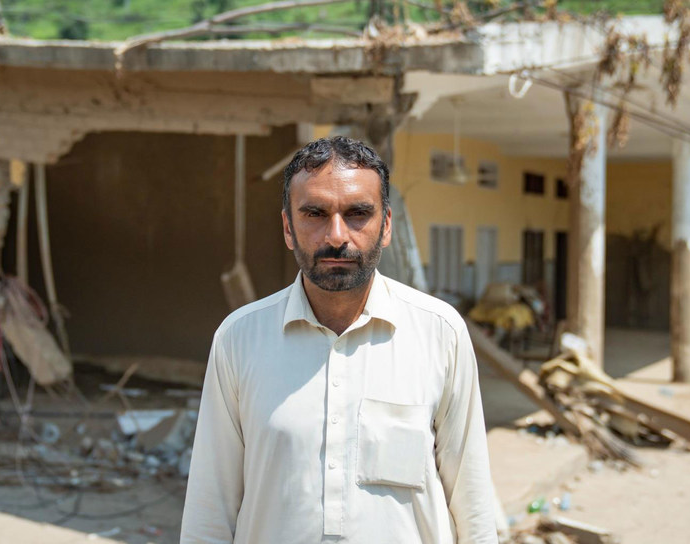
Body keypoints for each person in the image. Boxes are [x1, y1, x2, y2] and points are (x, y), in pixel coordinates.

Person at [180, 136, 498, 543]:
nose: (336, 235)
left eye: (357, 213)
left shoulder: (440, 333)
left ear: (385, 226)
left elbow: (473, 505)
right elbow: (211, 507)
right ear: (287, 228)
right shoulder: (240, 339)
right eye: (314, 213)